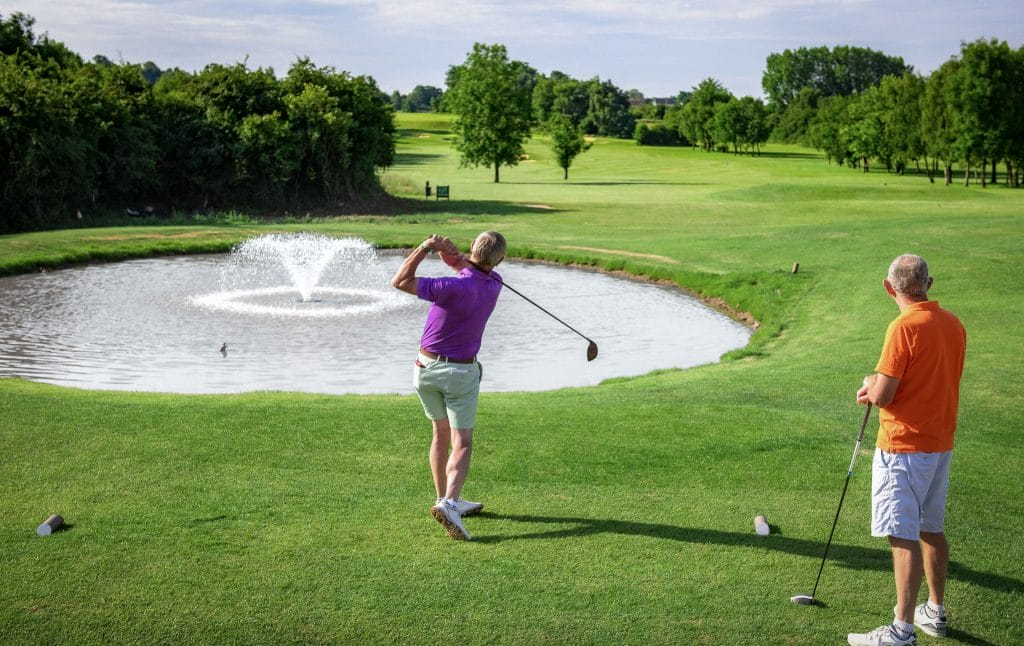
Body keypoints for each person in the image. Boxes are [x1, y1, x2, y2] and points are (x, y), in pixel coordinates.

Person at [847, 254, 967, 646]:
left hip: (903, 447)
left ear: (889, 288)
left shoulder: (902, 327)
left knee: (902, 535)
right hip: (939, 445)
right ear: (928, 284)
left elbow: (883, 394)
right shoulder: (953, 324)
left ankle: (901, 630)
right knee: (931, 528)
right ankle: (934, 611)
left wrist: (869, 382)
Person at [391, 231, 506, 541]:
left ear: (472, 249)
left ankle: (445, 500)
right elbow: (467, 268)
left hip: (424, 369)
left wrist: (426, 246)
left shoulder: (447, 286)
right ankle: (450, 503)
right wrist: (451, 254)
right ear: (500, 260)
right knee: (462, 441)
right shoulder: (495, 285)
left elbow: (400, 281)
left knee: (440, 435)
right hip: (460, 374)